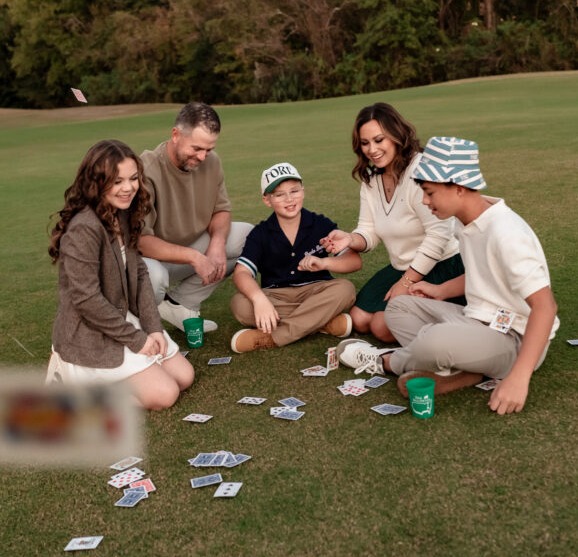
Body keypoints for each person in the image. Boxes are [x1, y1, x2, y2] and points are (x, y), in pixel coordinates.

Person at [337, 137, 559, 415]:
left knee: (435, 340)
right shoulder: (464, 222)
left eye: (429, 192)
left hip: (515, 338)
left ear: (459, 188)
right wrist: (439, 291)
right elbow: (487, 274)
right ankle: (469, 370)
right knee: (398, 307)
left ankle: (389, 361)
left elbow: (546, 307)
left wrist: (520, 378)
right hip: (477, 320)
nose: (424, 201)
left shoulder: (506, 234)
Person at [46, 140, 194, 410]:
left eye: (133, 178)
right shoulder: (83, 228)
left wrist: (153, 328)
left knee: (185, 376)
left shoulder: (122, 214)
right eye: (116, 182)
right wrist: (137, 340)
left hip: (120, 317)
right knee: (165, 395)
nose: (128, 188)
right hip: (88, 331)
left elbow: (139, 274)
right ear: (96, 183)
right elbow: (87, 300)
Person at [321, 102, 465, 342]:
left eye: (379, 140)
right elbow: (368, 232)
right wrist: (349, 239)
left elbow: (439, 235)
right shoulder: (371, 180)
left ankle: (453, 326)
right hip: (401, 266)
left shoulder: (420, 171)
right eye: (365, 143)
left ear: (396, 136)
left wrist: (406, 283)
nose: (372, 149)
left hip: (441, 265)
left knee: (381, 326)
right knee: (359, 319)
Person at [138, 103, 252, 333]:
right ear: (176, 135)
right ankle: (144, 332)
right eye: (197, 148)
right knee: (155, 277)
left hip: (190, 246)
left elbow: (221, 210)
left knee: (250, 237)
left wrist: (218, 245)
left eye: (208, 149)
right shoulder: (146, 169)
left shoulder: (212, 162)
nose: (202, 157)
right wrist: (195, 258)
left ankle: (181, 304)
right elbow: (141, 241)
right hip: (151, 259)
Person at [229, 162, 362, 352]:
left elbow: (354, 261)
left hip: (317, 292)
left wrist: (325, 262)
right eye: (279, 194)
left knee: (345, 289)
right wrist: (259, 300)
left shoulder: (320, 224)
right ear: (267, 200)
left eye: (294, 191)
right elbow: (241, 273)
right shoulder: (260, 233)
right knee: (240, 304)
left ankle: (272, 338)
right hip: (276, 296)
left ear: (303, 191)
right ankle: (323, 322)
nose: (289, 199)